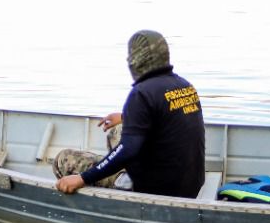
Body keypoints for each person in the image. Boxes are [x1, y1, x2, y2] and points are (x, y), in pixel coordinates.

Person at [53, 30, 206, 199]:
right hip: (189, 186)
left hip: (154, 191)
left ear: (136, 60)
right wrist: (126, 117)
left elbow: (128, 149)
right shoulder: (185, 86)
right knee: (116, 130)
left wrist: (83, 178)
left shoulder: (141, 93)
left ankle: (104, 206)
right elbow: (165, 120)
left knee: (62, 159)